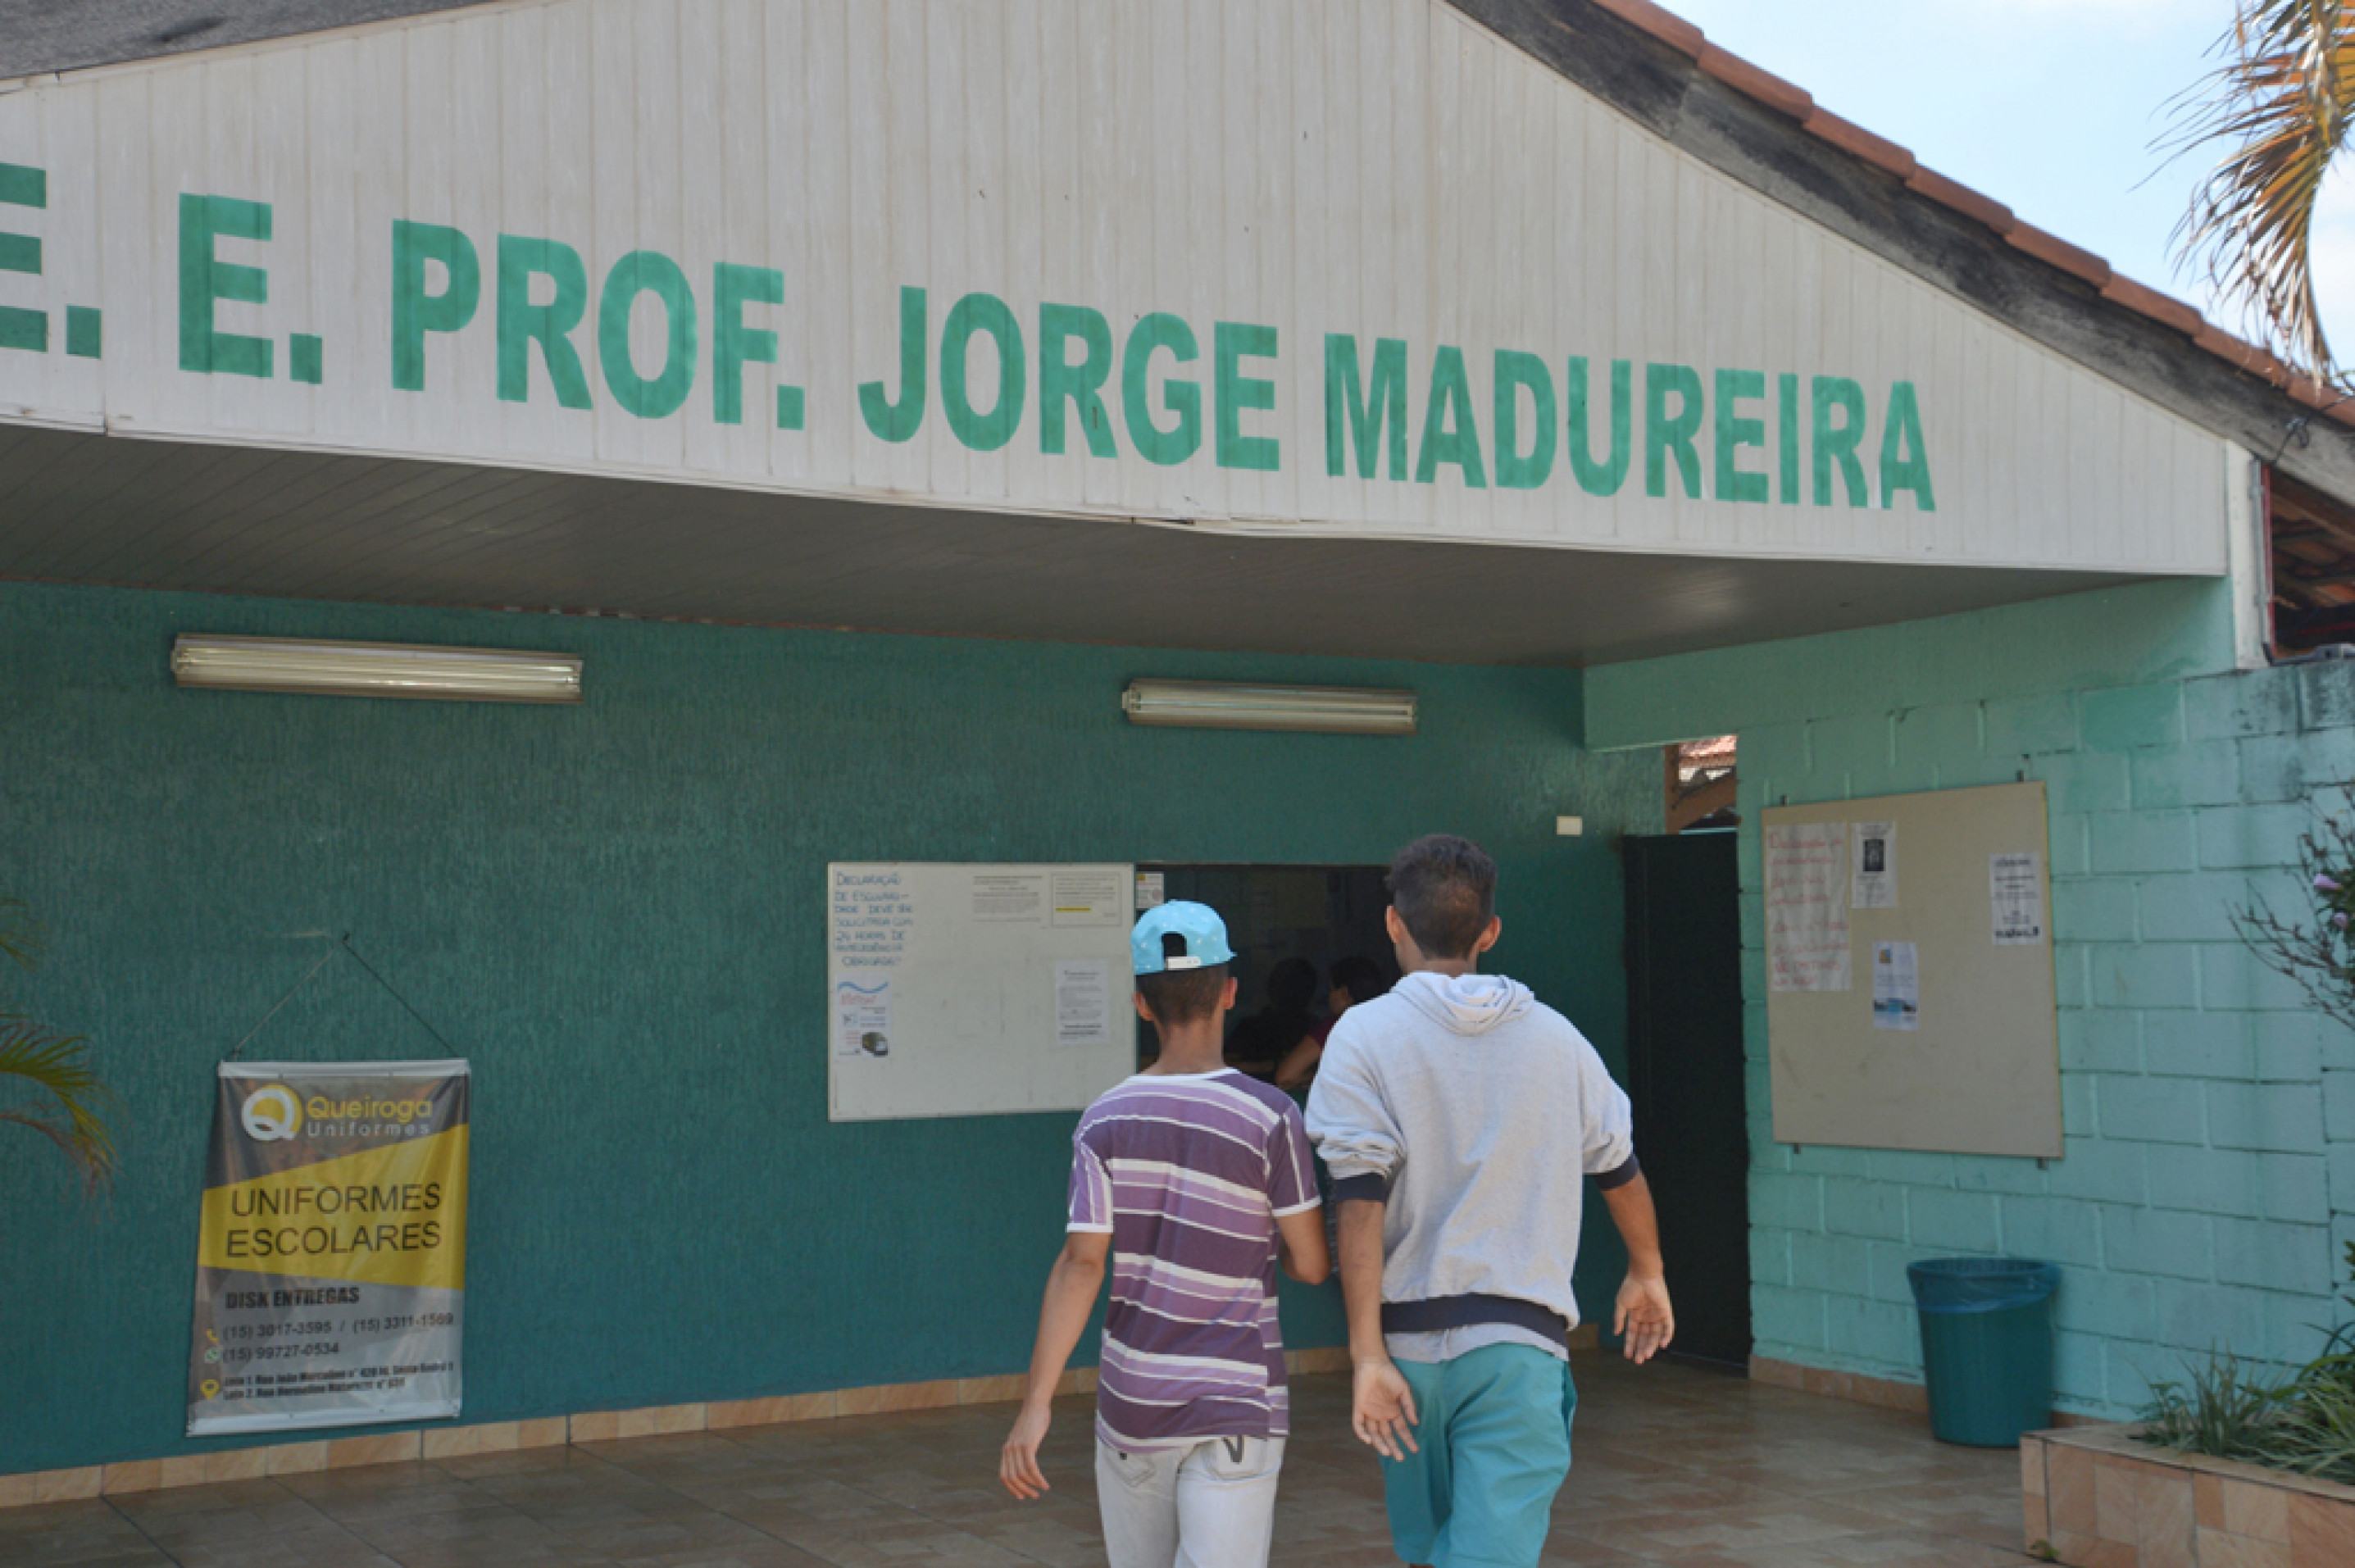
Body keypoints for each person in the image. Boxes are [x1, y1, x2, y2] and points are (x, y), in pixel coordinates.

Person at [1306, 834, 1674, 1568]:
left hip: (1405, 1351)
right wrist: (1647, 1267)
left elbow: (1359, 1200)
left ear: (1391, 923)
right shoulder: (1557, 1039)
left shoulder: (1362, 1035)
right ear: (1489, 932)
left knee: (1431, 1551)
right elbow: (1617, 1164)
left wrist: (1365, 1353)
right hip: (1519, 1347)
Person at [1000, 901, 1330, 1568]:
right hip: (1237, 1402)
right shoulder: (1271, 1116)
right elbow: (1311, 1263)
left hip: (1133, 1405)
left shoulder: (1103, 1120)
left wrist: (1035, 1405)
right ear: (1231, 991)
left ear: (1140, 1005)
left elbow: (1080, 1264)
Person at [1275, 953, 1389, 1093]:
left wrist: (1322, 1076)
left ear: (1344, 994)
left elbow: (1286, 1078)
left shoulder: (1335, 1027)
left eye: (1331, 989)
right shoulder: (1391, 1022)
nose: (1328, 997)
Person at [1223, 956, 1320, 1082]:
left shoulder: (1316, 1029)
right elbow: (1223, 1065)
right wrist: (1268, 1066)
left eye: (1296, 986)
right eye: (1284, 984)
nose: (1289, 993)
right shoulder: (1250, 1027)